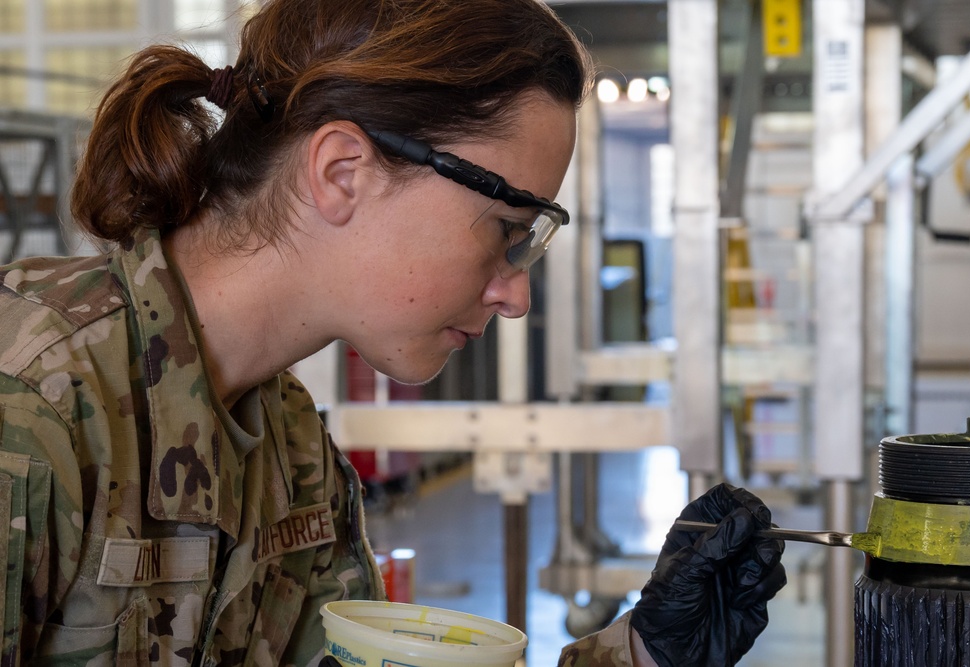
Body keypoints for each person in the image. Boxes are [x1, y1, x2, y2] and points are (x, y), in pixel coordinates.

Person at [0, 0, 785, 664]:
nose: (514, 294)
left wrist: (642, 651)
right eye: (506, 229)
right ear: (343, 172)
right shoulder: (33, 411)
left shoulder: (292, 453)